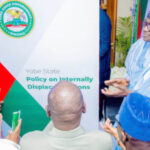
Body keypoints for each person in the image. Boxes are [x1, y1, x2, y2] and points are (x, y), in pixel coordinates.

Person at [20, 81, 112, 150]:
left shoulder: (28, 143)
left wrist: (54, 111)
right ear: (84, 107)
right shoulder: (103, 141)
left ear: (47, 112)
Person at [101, 12, 150, 103]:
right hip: (131, 106)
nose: (145, 29)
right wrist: (126, 81)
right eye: (146, 24)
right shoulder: (138, 45)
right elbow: (133, 73)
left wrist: (129, 93)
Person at [99, 7, 112, 120]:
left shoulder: (102, 18)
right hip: (93, 66)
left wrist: (89, 59)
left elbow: (104, 45)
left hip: (100, 67)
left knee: (98, 97)